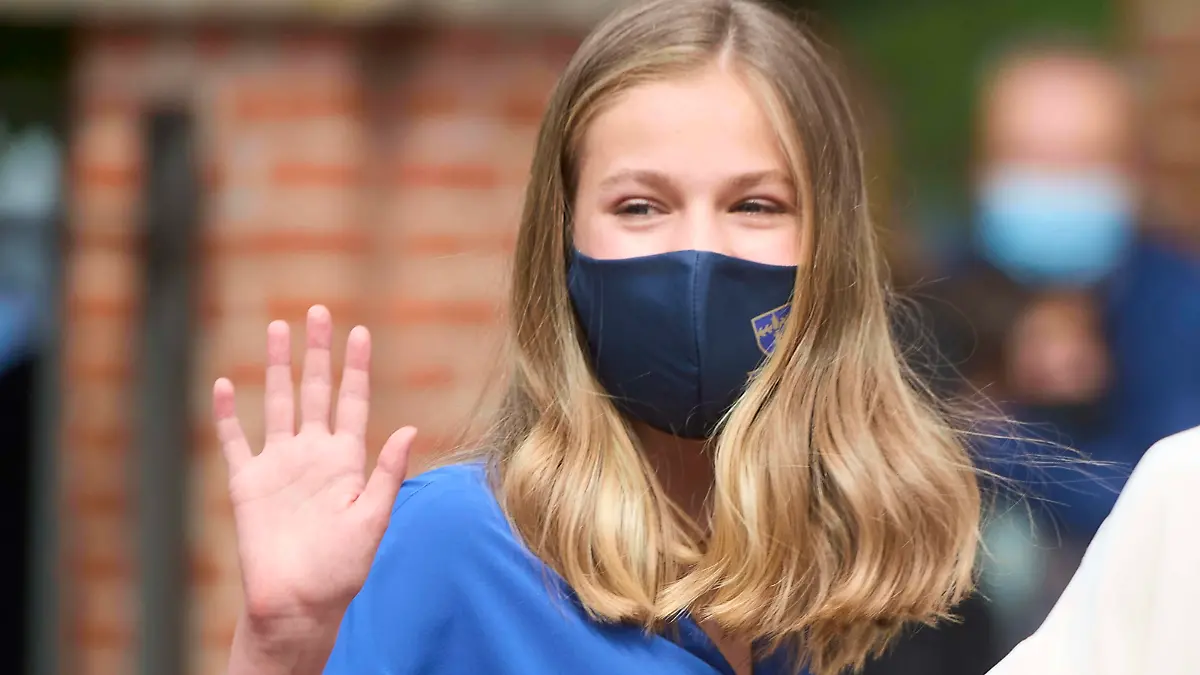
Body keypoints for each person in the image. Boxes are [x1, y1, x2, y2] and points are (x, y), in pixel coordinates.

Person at [214, 2, 988, 674]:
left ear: (833, 254)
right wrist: (278, 652)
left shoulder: (867, 597)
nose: (696, 254)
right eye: (640, 207)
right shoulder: (454, 550)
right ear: (563, 245)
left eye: (754, 204)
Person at [916, 43, 1200, 628]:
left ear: (1135, 172)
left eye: (1082, 160)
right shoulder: (928, 296)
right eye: (1027, 158)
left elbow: (1170, 512)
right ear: (980, 170)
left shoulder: (1180, 305)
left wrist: (995, 436)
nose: (1053, 184)